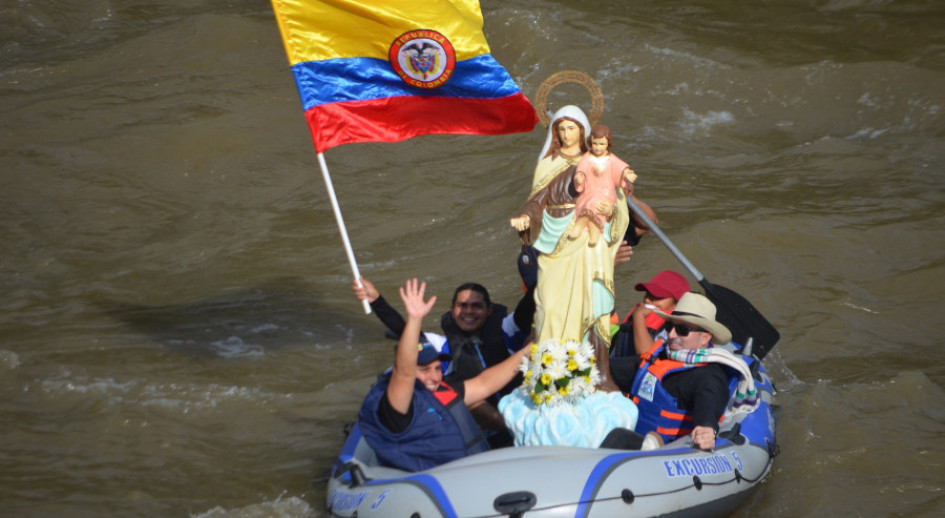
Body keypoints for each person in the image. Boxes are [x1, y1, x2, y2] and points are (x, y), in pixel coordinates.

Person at [510, 107, 630, 392]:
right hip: (556, 244)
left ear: (583, 132)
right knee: (550, 306)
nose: (565, 134)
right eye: (560, 129)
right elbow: (536, 200)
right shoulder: (548, 166)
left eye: (572, 128)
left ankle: (600, 374)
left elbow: (621, 201)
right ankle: (551, 373)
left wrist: (615, 199)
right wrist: (527, 217)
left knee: (594, 306)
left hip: (590, 241)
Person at [357, 278, 528, 472]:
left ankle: (525, 431)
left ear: (490, 310)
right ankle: (514, 432)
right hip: (483, 425)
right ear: (452, 309)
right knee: (474, 403)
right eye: (461, 305)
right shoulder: (437, 345)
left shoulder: (507, 328)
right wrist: (379, 302)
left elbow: (484, 383)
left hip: (518, 408)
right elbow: (405, 353)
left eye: (476, 306)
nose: (468, 311)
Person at [609, 292, 733, 451]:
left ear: (704, 338)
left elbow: (708, 405)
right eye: (669, 326)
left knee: (619, 437)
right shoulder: (657, 358)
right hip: (631, 439)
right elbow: (609, 370)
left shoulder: (709, 376)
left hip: (664, 454)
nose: (671, 334)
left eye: (682, 329)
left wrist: (707, 428)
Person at [569, 124, 637, 246]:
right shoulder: (587, 157)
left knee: (598, 204)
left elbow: (620, 168)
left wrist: (627, 173)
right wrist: (580, 177)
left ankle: (595, 230)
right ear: (591, 143)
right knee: (588, 202)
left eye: (601, 144)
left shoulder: (611, 159)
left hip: (606, 191)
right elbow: (582, 169)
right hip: (589, 190)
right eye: (595, 144)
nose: (598, 148)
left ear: (608, 144)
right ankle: (581, 225)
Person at [610, 270, 690, 358]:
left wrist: (638, 316)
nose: (648, 300)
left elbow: (646, 355)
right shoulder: (639, 314)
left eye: (657, 297)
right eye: (647, 294)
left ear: (676, 305)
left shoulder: (674, 330)